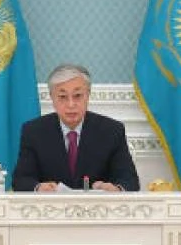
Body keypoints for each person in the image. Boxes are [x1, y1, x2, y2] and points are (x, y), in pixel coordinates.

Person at [13, 64, 139, 192]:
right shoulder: (33, 131)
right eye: (62, 97)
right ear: (52, 98)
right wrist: (39, 187)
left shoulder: (112, 131)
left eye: (77, 95)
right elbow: (21, 180)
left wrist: (116, 189)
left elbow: (130, 181)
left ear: (88, 95)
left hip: (97, 204)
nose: (71, 104)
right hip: (51, 204)